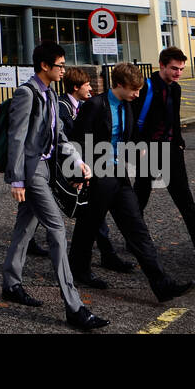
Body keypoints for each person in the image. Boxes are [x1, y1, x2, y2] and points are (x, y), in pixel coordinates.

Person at [1, 41, 108, 331]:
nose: (64, 69)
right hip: (32, 171)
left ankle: (10, 284)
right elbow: (16, 138)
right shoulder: (27, 93)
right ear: (45, 66)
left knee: (25, 227)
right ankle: (74, 307)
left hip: (46, 168)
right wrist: (17, 179)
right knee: (57, 230)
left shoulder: (48, 93)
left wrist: (78, 160)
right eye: (59, 65)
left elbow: (58, 135)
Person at [68, 63, 193, 303]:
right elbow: (76, 141)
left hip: (119, 174)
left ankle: (162, 284)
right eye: (133, 90)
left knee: (137, 228)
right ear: (119, 85)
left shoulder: (128, 105)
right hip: (97, 175)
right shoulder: (95, 106)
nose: (138, 94)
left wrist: (139, 149)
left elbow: (129, 135)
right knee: (88, 226)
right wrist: (78, 174)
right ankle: (79, 270)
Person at [131, 47, 195, 268]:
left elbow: (175, 119)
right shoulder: (146, 88)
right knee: (139, 200)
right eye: (174, 68)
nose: (178, 73)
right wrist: (139, 146)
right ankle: (133, 242)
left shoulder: (176, 89)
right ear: (161, 65)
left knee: (187, 204)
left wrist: (179, 143)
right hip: (148, 152)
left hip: (170, 152)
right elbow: (132, 120)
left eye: (181, 69)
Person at [39, 67, 136, 274]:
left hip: (91, 166)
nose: (91, 88)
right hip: (67, 165)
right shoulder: (63, 106)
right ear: (76, 87)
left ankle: (104, 256)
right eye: (87, 85)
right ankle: (81, 264)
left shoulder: (86, 105)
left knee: (94, 216)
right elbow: (69, 140)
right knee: (44, 212)